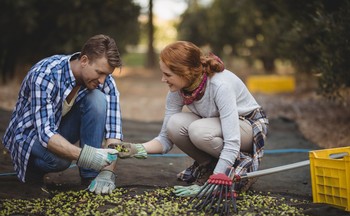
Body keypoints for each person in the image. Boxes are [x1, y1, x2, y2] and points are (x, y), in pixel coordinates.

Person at [112, 41, 268, 194]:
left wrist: (215, 182)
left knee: (199, 130)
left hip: (248, 127)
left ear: (185, 72)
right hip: (216, 125)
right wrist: (136, 149)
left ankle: (237, 170)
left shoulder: (220, 86)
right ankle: (209, 166)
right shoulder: (178, 90)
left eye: (168, 75)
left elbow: (232, 142)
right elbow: (166, 139)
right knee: (174, 124)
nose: (163, 79)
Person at [2, 34, 123, 195]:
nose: (102, 80)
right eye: (99, 72)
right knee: (60, 161)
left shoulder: (105, 81)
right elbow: (45, 134)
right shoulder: (46, 75)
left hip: (58, 130)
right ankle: (32, 169)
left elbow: (114, 132)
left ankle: (90, 176)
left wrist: (107, 172)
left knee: (97, 99)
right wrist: (89, 156)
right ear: (84, 61)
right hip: (29, 136)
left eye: (107, 74)